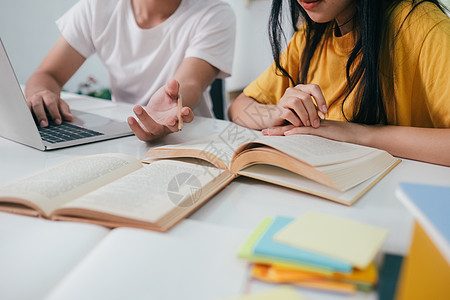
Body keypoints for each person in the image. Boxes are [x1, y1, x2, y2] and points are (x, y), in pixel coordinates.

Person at [229, 0, 450, 166]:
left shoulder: (422, 25)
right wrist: (277, 114)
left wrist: (359, 135)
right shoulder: (310, 37)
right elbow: (239, 107)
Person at [25, 0, 235, 141]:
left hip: (186, 140)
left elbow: (190, 83)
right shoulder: (97, 7)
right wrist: (41, 95)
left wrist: (171, 105)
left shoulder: (214, 13)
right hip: (120, 134)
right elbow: (48, 75)